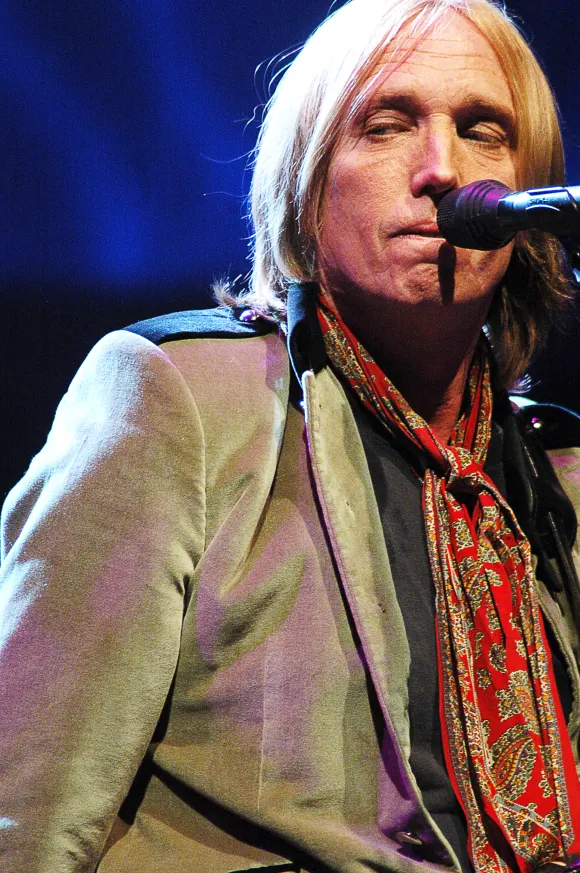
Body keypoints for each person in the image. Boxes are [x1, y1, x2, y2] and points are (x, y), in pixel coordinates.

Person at [1, 0, 580, 871]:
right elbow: (27, 815)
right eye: (387, 124)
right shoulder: (178, 397)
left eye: (481, 131)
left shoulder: (555, 474)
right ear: (307, 187)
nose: (442, 169)